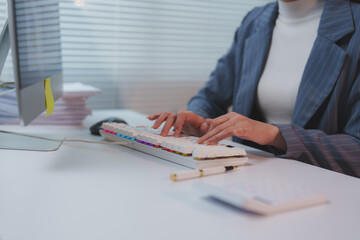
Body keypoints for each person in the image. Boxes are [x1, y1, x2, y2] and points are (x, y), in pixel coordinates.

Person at [148, 0, 360, 178]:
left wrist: (274, 134)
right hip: (249, 177)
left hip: (324, 188)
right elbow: (210, 96)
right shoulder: (255, 21)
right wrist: (199, 119)